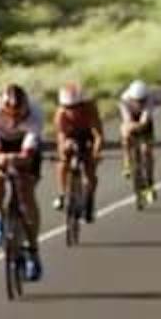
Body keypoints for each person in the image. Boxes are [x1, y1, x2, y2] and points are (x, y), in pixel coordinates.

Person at [0, 83, 45, 281]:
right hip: (0, 143)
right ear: (2, 109)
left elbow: (29, 152)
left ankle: (33, 250)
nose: (15, 119)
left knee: (26, 191)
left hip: (24, 145)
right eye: (11, 115)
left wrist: (20, 160)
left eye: (20, 115)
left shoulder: (36, 115)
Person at [51, 83, 104, 221]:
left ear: (82, 104)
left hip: (87, 134)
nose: (72, 111)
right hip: (69, 135)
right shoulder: (60, 114)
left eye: (75, 107)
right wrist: (63, 150)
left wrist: (96, 153)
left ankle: (89, 199)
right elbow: (61, 137)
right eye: (68, 107)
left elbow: (98, 135)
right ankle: (62, 194)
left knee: (90, 171)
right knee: (62, 162)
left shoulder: (90, 109)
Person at [117, 74, 161, 197]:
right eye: (135, 100)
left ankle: (150, 180)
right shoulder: (124, 100)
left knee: (147, 150)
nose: (138, 103)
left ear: (145, 98)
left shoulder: (150, 99)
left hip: (145, 124)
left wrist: (134, 126)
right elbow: (127, 120)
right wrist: (128, 129)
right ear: (130, 97)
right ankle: (127, 161)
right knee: (125, 135)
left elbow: (144, 121)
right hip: (131, 120)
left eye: (141, 101)